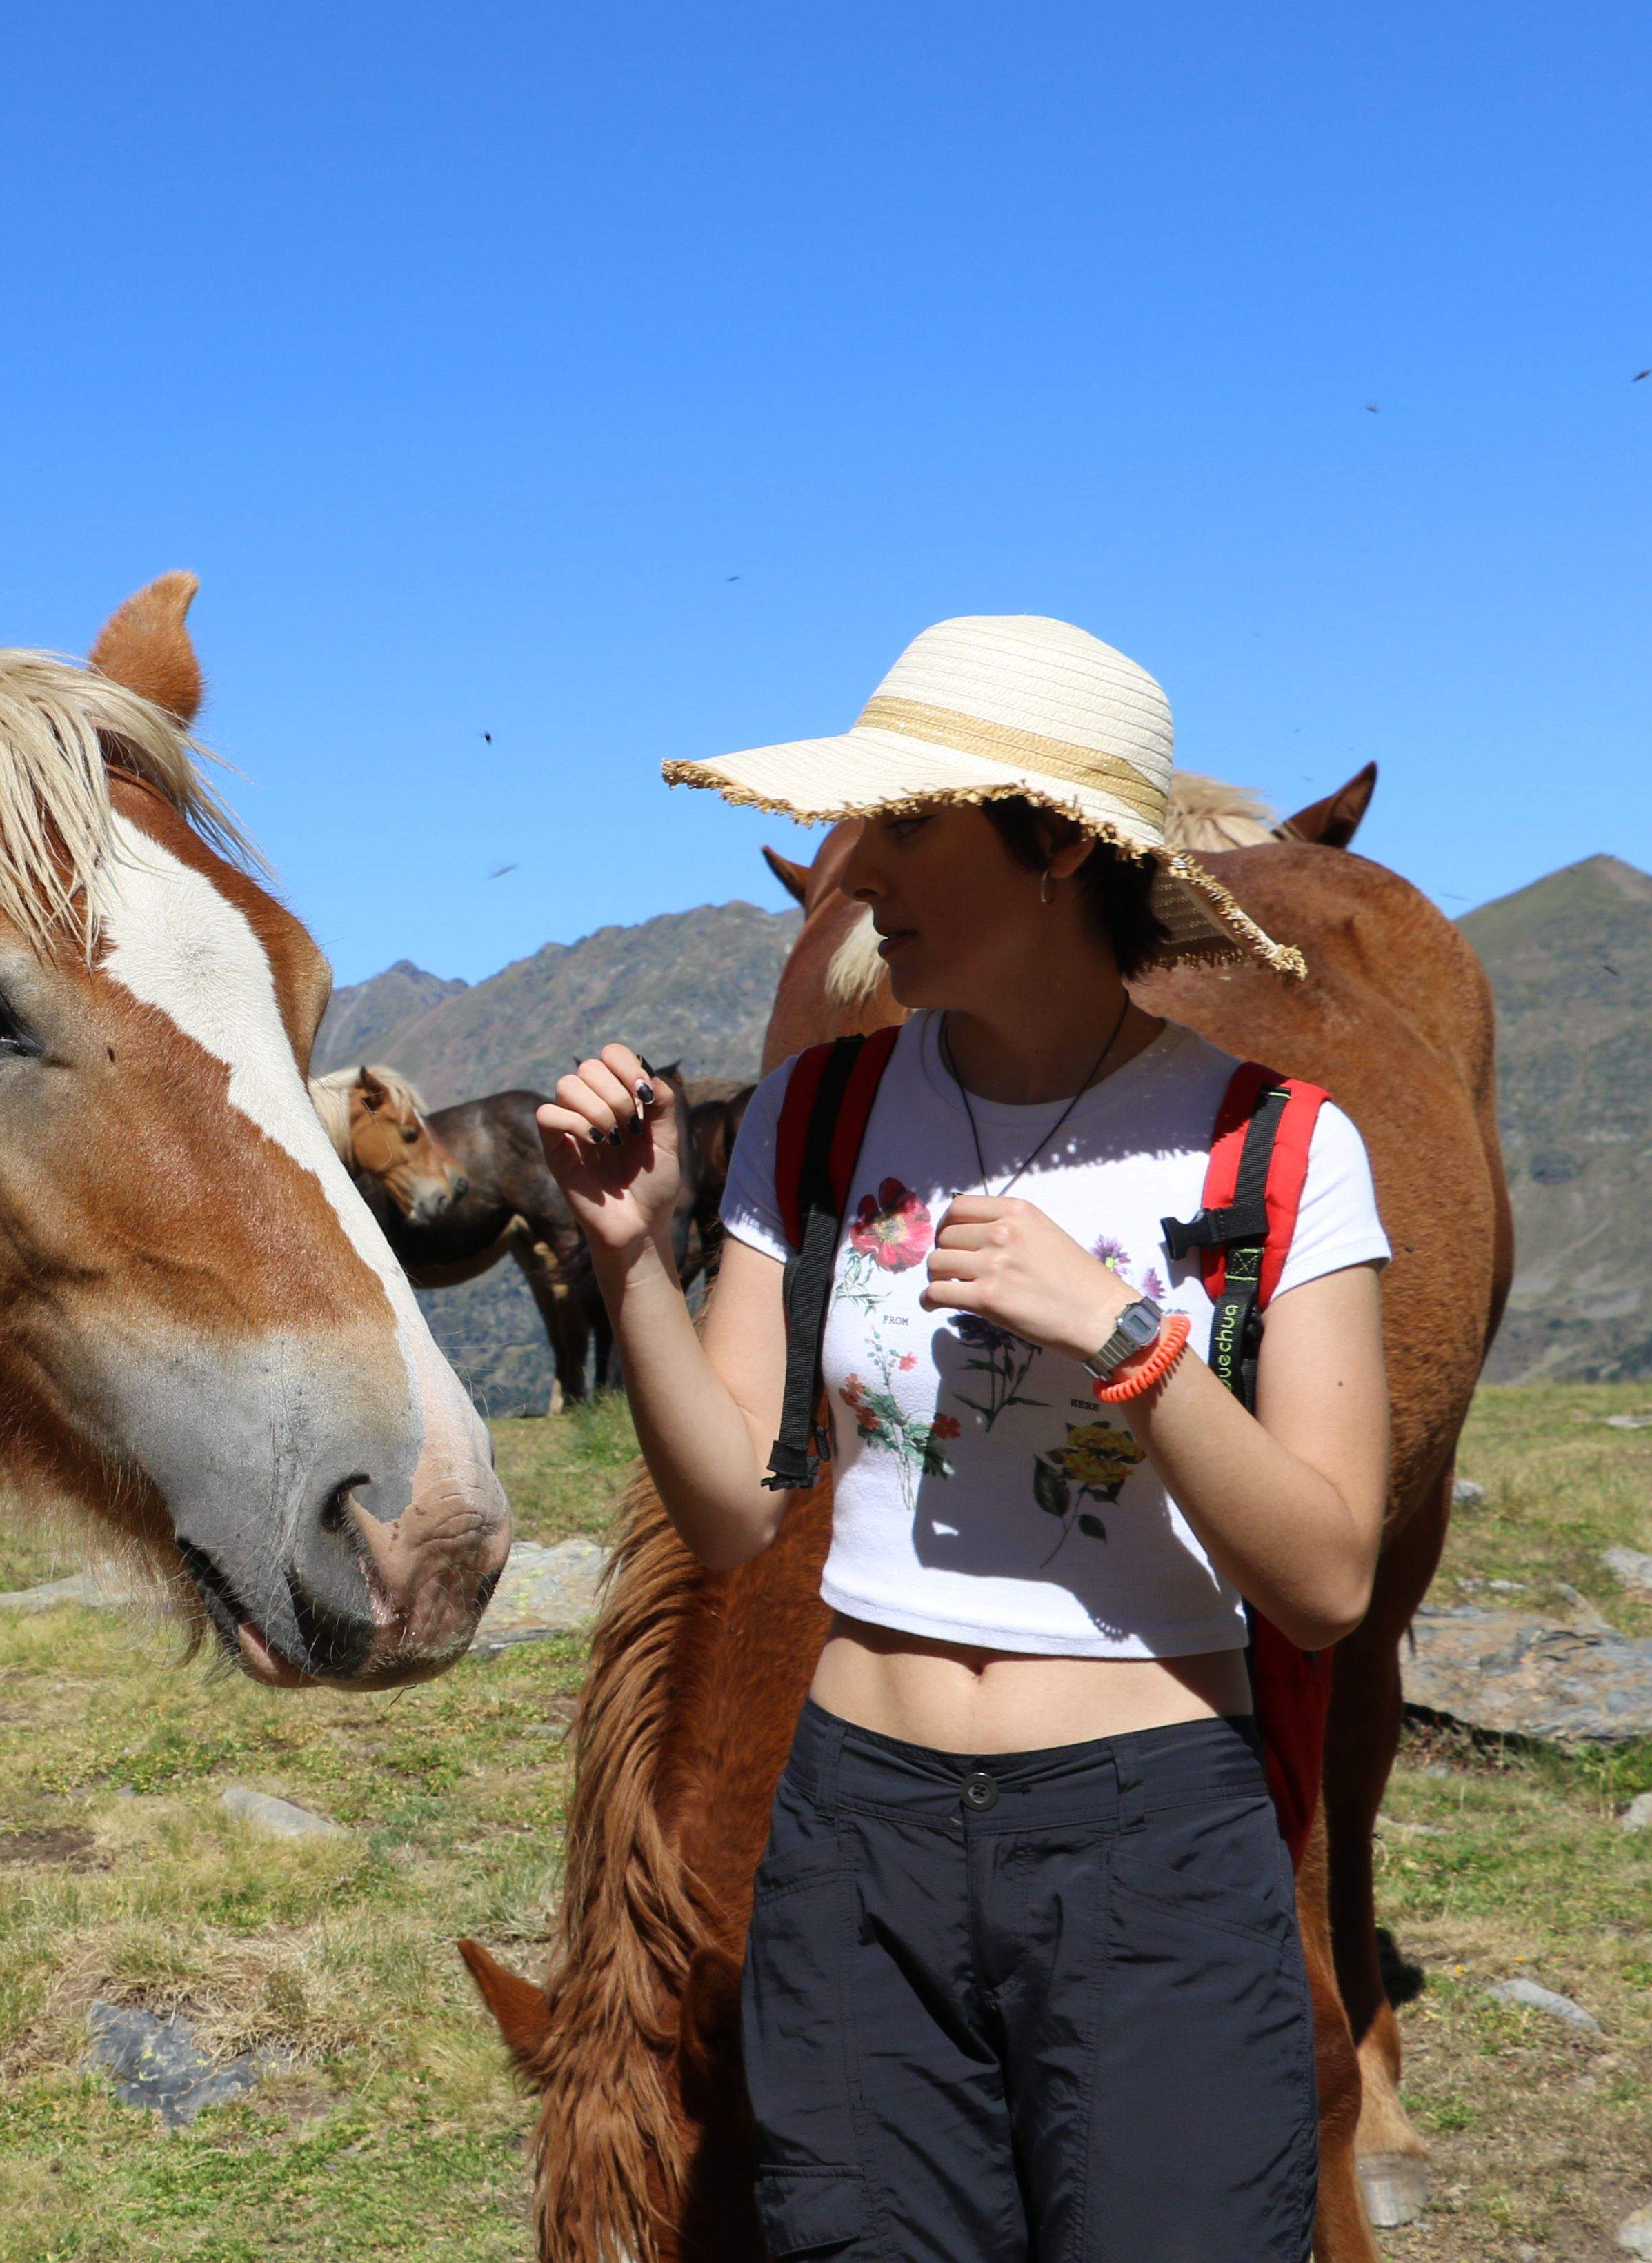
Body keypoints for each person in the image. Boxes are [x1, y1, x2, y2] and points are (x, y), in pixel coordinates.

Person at [541, 615, 1389, 2263]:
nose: (851, 871)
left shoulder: (1278, 1148)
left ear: (1058, 842)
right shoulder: (818, 1116)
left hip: (1155, 1845)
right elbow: (733, 1509)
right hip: (852, 1839)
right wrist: (631, 1257)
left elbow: (1325, 1579)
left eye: (908, 823)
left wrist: (1124, 1339)